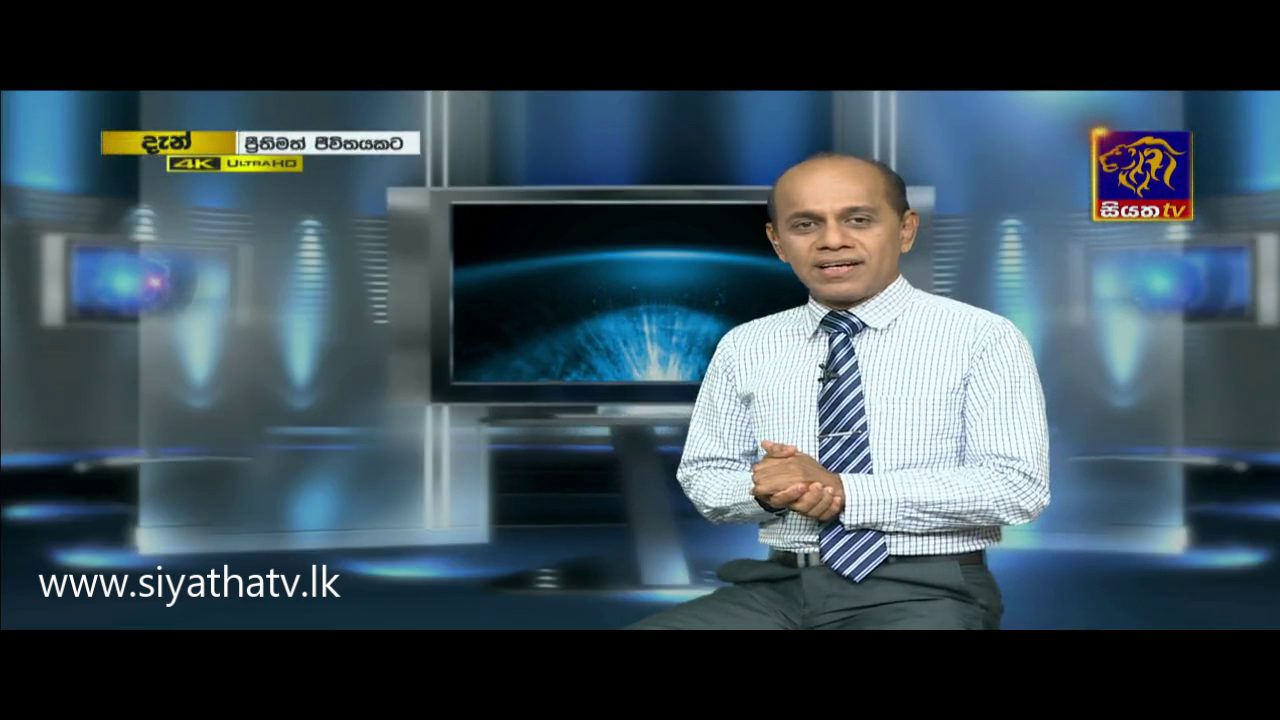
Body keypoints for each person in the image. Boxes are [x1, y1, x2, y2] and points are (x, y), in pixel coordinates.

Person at [628, 153, 1049, 630]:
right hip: (778, 586)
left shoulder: (983, 337)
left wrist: (843, 490)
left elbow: (1016, 486)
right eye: (805, 224)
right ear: (778, 242)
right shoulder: (744, 345)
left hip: (927, 590)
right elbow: (705, 476)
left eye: (858, 220)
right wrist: (770, 490)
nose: (832, 240)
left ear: (906, 229)